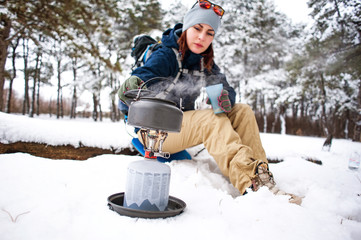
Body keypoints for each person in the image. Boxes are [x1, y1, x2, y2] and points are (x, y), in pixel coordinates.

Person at [118, 0, 301, 205]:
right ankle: (251, 183)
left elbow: (227, 91)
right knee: (208, 119)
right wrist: (132, 87)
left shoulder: (204, 62)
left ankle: (263, 179)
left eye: (209, 33)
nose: (202, 37)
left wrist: (224, 99)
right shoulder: (166, 55)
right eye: (197, 28)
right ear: (187, 26)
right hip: (153, 133)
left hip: (178, 128)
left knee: (242, 111)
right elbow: (141, 77)